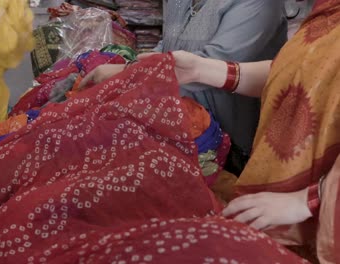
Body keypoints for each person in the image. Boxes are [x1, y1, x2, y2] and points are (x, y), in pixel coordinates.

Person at [135, 0, 339, 260]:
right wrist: (202, 70)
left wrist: (309, 199)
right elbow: (299, 71)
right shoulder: (328, 11)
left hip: (317, 213)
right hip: (283, 193)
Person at [81, 0, 287, 175]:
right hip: (171, 126)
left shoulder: (259, 3)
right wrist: (131, 69)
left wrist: (127, 72)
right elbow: (168, 47)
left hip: (228, 148)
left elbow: (213, 65)